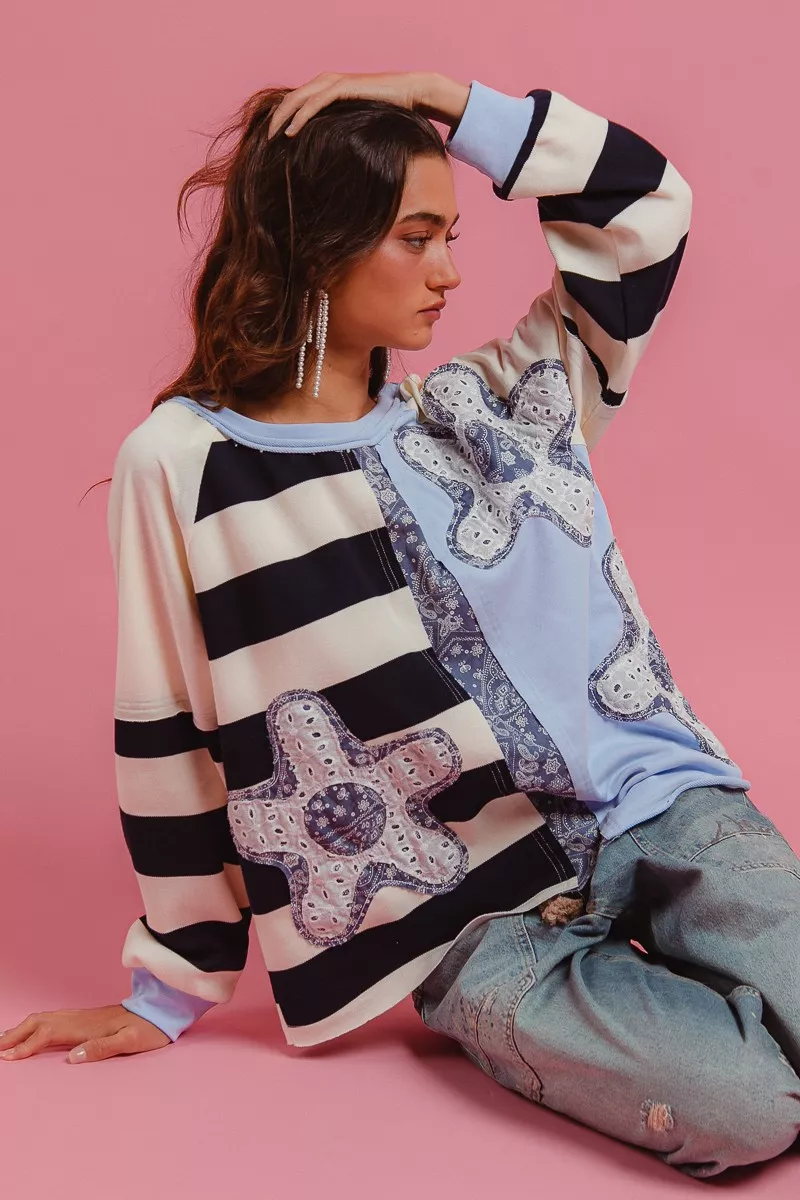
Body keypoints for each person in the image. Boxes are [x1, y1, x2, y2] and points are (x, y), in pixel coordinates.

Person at [2, 69, 799, 1178]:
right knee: (746, 1110)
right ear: (317, 248)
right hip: (463, 917)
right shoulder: (182, 466)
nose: (450, 270)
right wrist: (171, 985)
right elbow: (168, 730)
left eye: (450, 235)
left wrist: (441, 98)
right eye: (415, 237)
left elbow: (646, 210)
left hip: (662, 815)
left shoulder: (498, 403)